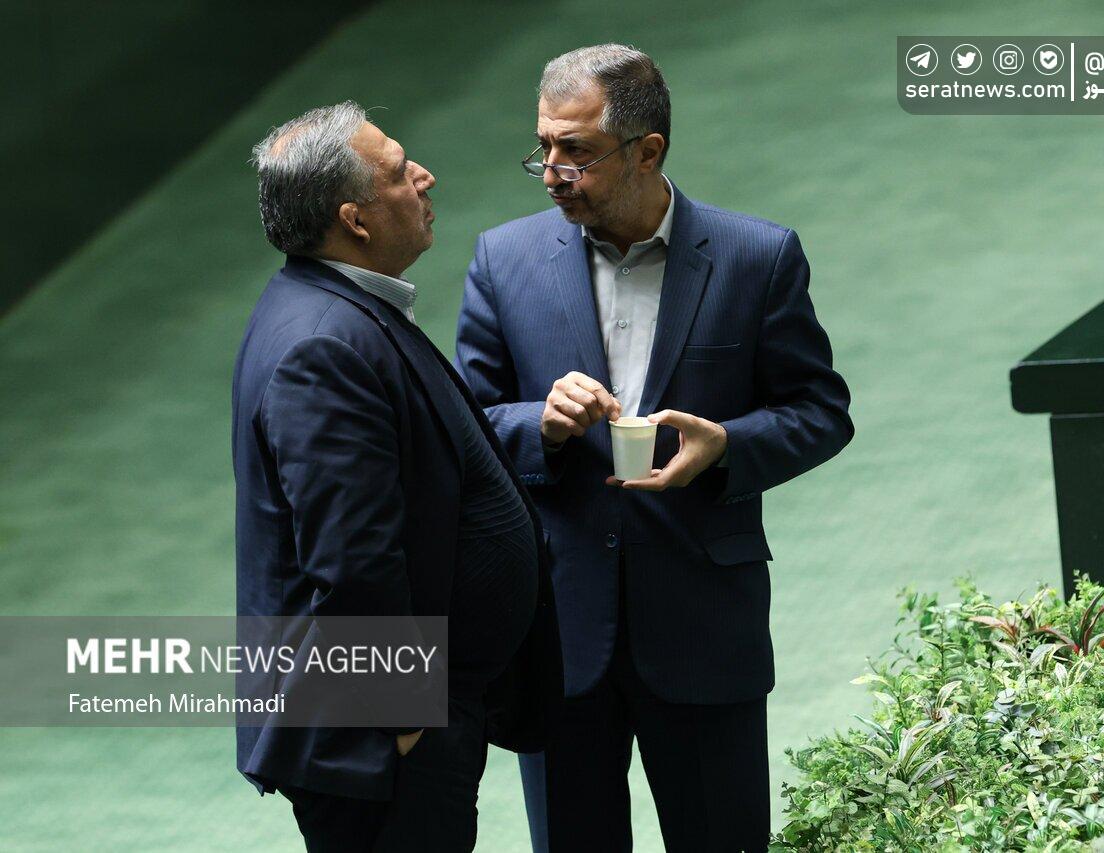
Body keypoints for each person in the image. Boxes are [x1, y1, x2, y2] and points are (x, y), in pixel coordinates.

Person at [454, 45, 853, 852]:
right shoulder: (505, 260)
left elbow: (821, 411)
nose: (552, 172)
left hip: (703, 628)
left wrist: (728, 444)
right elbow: (467, 424)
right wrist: (540, 424)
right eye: (544, 147)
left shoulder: (756, 258)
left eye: (576, 151)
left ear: (648, 151)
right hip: (561, 635)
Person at [232, 101, 560, 852]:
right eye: (397, 172)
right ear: (355, 220)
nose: (424, 177)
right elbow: (351, 557)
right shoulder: (323, 346)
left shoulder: (338, 309)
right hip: (381, 741)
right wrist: (406, 715)